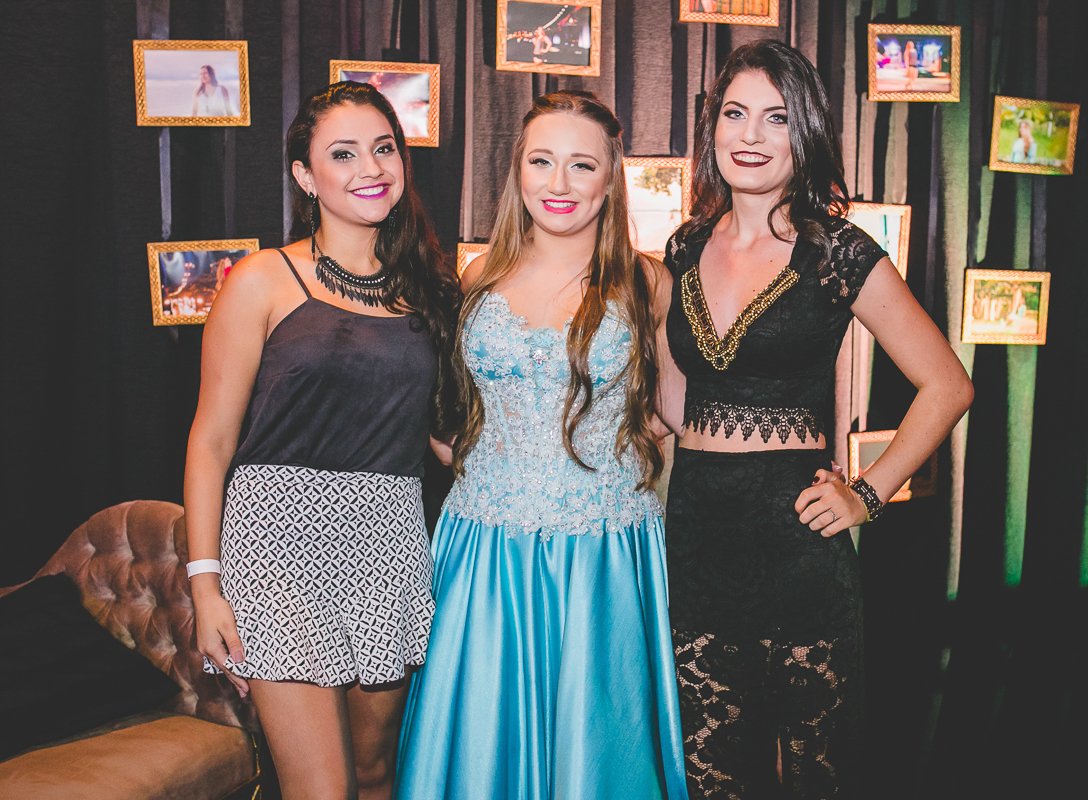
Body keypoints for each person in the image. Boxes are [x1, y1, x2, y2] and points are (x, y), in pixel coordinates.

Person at [658, 40, 973, 798]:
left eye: (776, 117)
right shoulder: (684, 247)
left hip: (797, 554)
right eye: (735, 114)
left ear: (805, 133)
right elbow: (673, 405)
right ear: (712, 127)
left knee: (816, 780)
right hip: (696, 549)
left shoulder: (838, 251)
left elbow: (948, 385)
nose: (750, 135)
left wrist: (866, 494)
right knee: (710, 781)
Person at [393, 90, 687, 800]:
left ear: (610, 178)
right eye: (541, 161)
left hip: (603, 552)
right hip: (484, 548)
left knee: (599, 747)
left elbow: (680, 412)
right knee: (481, 743)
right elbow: (452, 416)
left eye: (582, 165)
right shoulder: (479, 276)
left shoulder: (647, 282)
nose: (559, 183)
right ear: (517, 171)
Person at [183, 81, 460, 800]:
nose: (371, 168)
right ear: (306, 177)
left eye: (383, 148)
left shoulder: (430, 289)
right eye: (343, 154)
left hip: (390, 544)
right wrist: (205, 586)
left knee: (376, 776)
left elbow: (444, 440)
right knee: (323, 790)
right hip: (278, 546)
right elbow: (211, 441)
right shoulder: (262, 279)